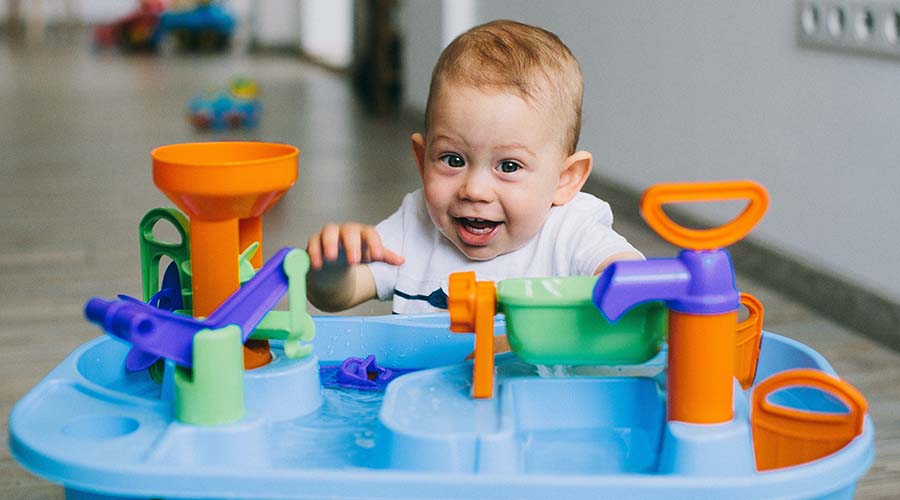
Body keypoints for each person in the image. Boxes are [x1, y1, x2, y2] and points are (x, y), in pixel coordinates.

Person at [306, 19, 643, 315]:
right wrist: (331, 269)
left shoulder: (571, 231)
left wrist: (621, 286)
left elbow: (629, 277)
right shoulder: (415, 226)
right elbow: (336, 297)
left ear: (564, 180)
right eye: (453, 160)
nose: (474, 190)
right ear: (422, 161)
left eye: (509, 166)